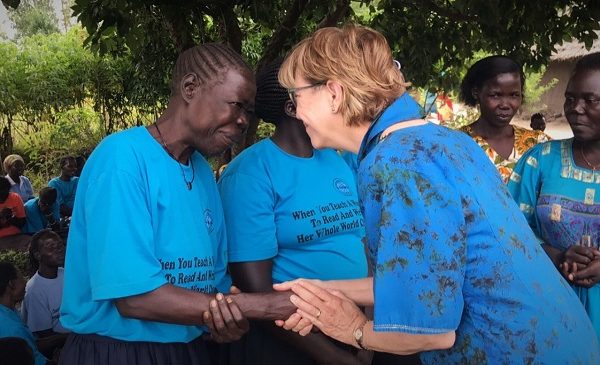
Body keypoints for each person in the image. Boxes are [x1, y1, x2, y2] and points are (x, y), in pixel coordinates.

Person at [273, 24, 600, 364]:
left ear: (334, 93)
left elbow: (430, 329)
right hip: (563, 340)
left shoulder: (396, 162)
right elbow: (422, 277)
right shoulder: (442, 140)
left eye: (295, 97)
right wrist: (321, 293)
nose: (295, 111)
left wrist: (353, 329)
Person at [59, 43, 296, 365]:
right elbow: (135, 299)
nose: (243, 121)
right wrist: (266, 306)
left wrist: (224, 321)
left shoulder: (200, 170)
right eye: (237, 105)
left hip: (189, 348)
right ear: (190, 88)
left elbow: (214, 286)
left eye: (248, 112)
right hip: (120, 351)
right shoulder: (122, 158)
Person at [218, 60, 369, 365]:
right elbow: (256, 292)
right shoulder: (251, 174)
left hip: (350, 330)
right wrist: (334, 357)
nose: (335, 95)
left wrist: (361, 334)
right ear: (293, 107)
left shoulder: (335, 159)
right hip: (292, 341)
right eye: (322, 88)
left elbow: (360, 246)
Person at [508, 52, 600, 341]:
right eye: (570, 99)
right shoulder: (540, 161)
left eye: (590, 100)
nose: (576, 109)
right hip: (547, 313)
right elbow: (509, 232)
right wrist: (557, 255)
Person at [459, 55, 549, 183]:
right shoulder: (457, 144)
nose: (505, 105)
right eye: (495, 95)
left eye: (514, 95)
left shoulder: (538, 144)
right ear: (476, 93)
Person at [22, 230, 69, 359]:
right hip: (60, 347)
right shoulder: (34, 290)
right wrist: (73, 336)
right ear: (38, 255)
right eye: (51, 247)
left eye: (60, 245)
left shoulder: (64, 273)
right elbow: (44, 333)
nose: (59, 249)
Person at [0, 261, 48, 365]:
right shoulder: (12, 329)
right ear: (11, 284)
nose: (26, 282)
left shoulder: (8, 311)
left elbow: (33, 344)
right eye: (21, 278)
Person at [0, 176, 29, 251]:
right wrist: (2, 217)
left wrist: (10, 218)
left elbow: (22, 223)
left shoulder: (15, 197)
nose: (3, 199)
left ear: (8, 190)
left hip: (17, 237)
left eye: (5, 195)